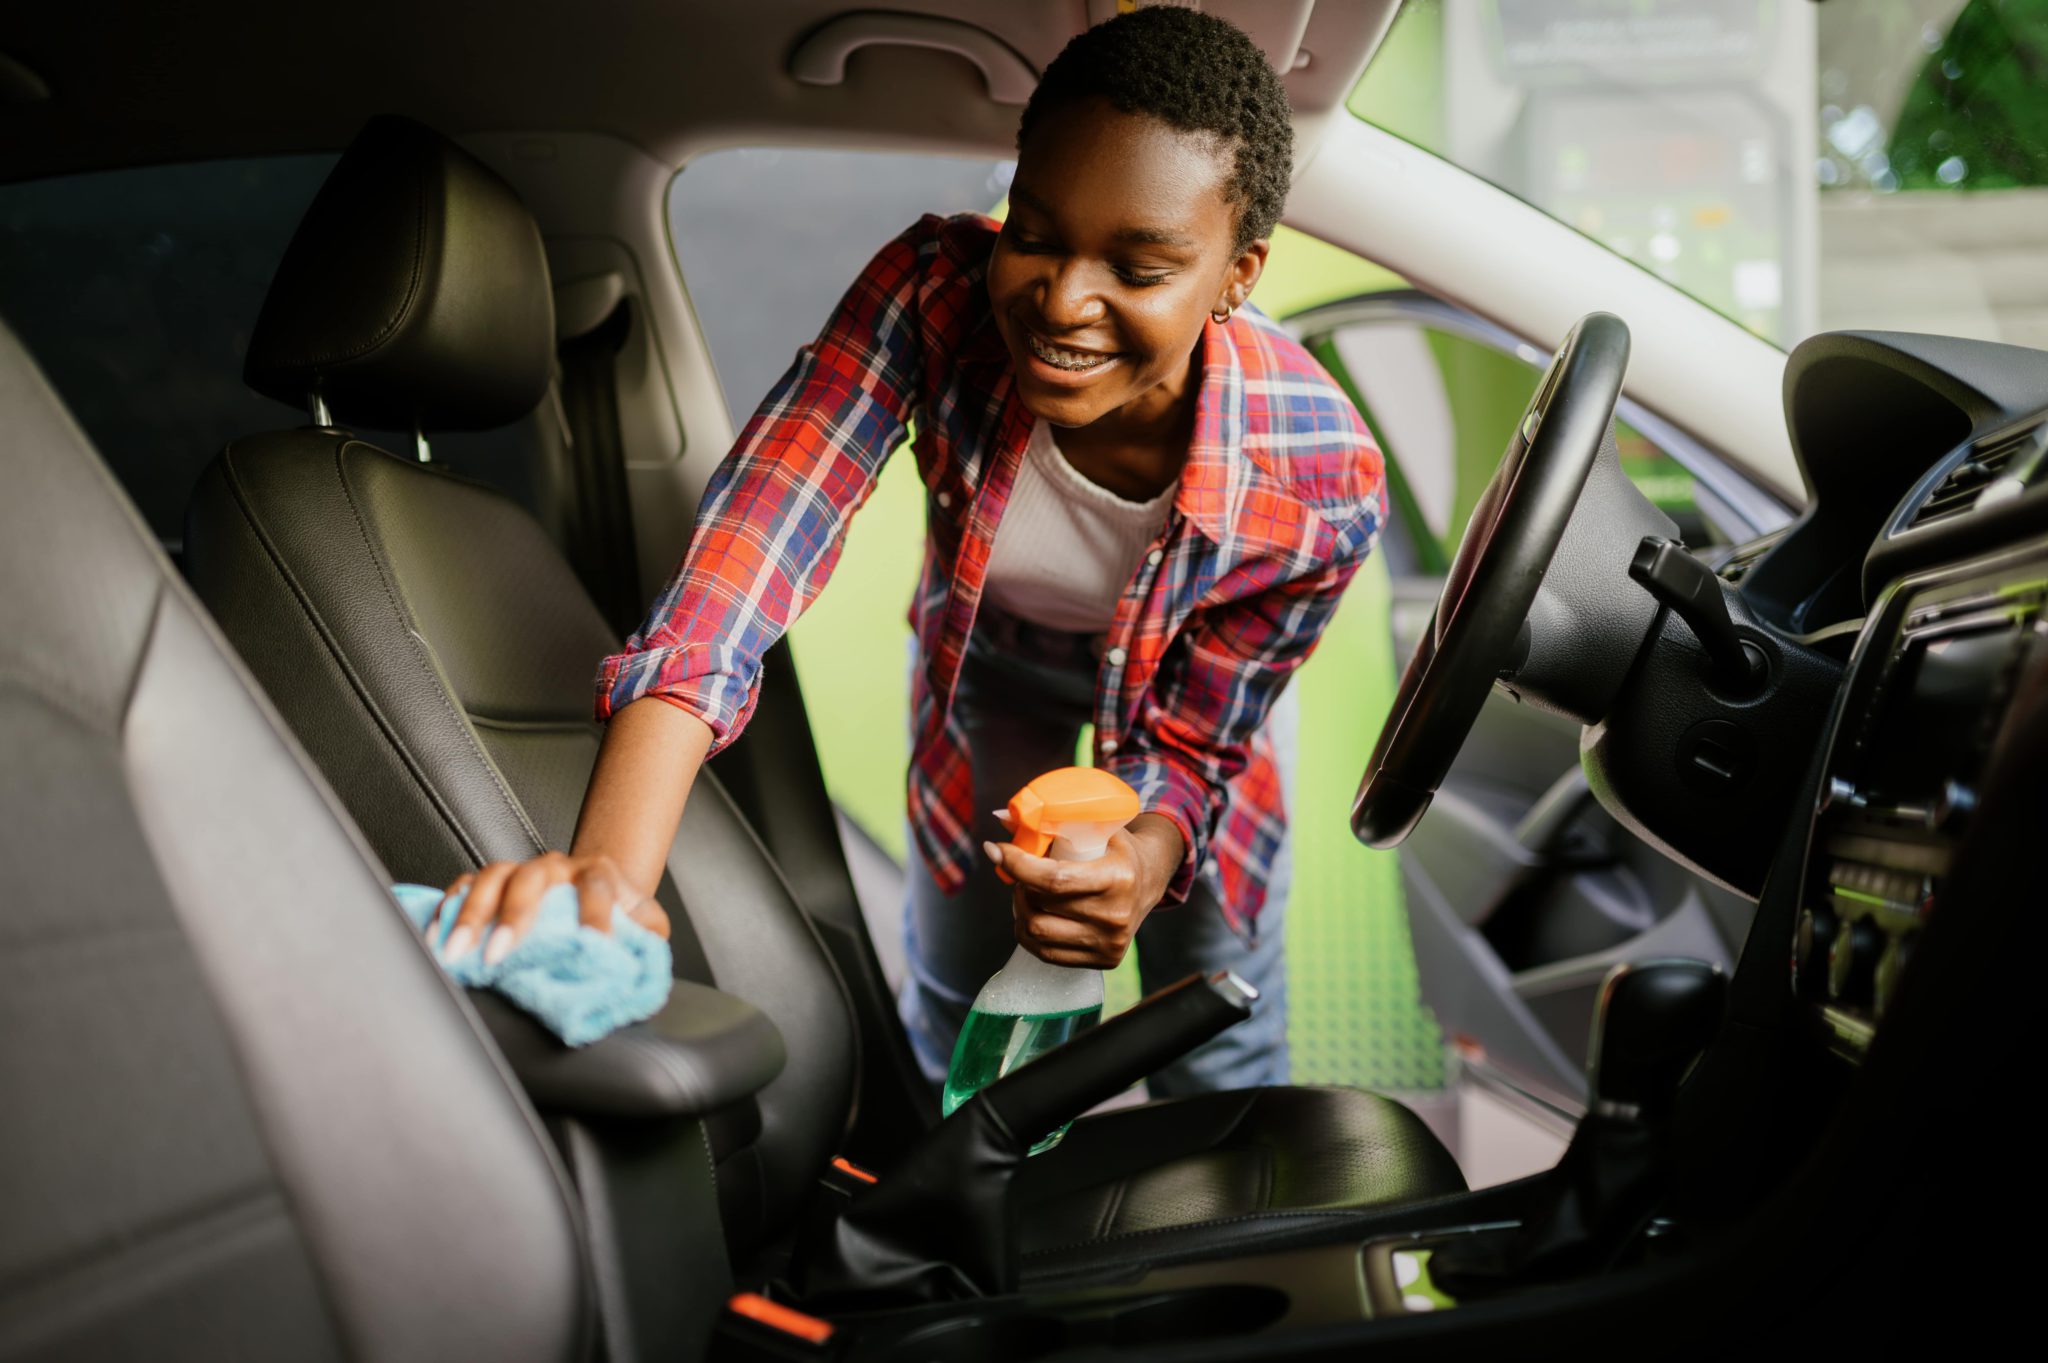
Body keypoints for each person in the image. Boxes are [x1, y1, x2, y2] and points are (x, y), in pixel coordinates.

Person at [437, 6, 1385, 1095]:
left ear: (1235, 274)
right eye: (1034, 234)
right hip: (989, 669)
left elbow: (1194, 745)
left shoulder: (1321, 480)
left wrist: (1146, 854)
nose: (1063, 300)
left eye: (1139, 266)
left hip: (1180, 695)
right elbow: (747, 553)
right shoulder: (934, 291)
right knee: (964, 1004)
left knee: (1209, 1015)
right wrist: (603, 880)